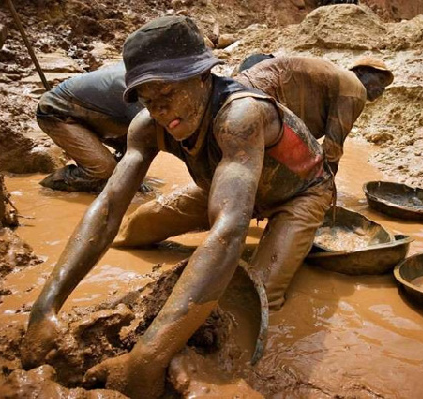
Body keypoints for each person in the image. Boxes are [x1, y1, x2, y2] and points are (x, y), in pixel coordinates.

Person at [21, 16, 333, 398]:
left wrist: (147, 357)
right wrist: (45, 308)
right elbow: (108, 208)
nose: (161, 112)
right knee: (135, 231)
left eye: (168, 94)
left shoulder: (240, 116)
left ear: (203, 77)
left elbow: (228, 231)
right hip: (227, 185)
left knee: (252, 297)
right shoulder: (147, 125)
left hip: (297, 195)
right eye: (148, 100)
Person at [235, 55, 393, 175]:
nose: (381, 89)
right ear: (361, 72)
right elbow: (332, 149)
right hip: (258, 94)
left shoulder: (337, 79)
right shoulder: (355, 88)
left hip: (245, 89)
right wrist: (325, 188)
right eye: (379, 79)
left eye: (385, 86)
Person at [36, 62, 145, 192]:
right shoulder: (142, 89)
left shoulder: (147, 69)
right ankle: (50, 186)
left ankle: (115, 173)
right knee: (103, 169)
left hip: (100, 112)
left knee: (136, 155)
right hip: (58, 111)